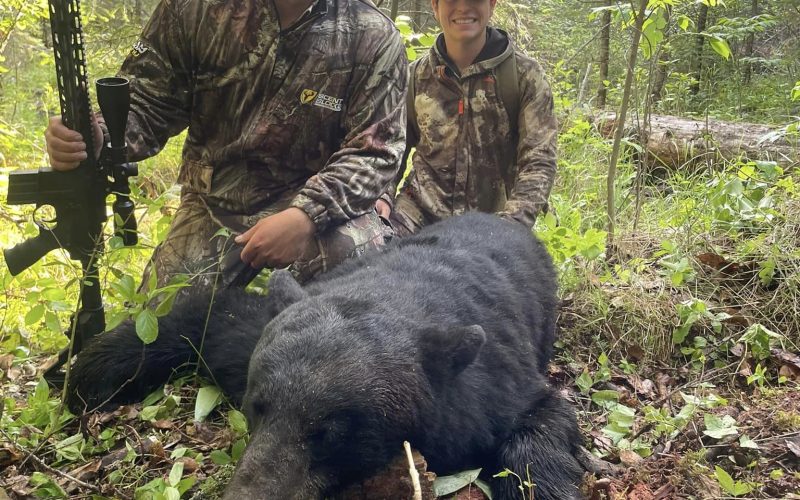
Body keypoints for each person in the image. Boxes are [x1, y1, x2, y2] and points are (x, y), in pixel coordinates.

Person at [45, 0, 407, 288]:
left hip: (320, 217)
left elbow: (373, 153)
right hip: (216, 207)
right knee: (167, 323)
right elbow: (147, 99)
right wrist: (98, 136)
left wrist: (305, 216)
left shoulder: (373, 36)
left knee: (354, 295)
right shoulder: (196, 9)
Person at [376, 0, 556, 235]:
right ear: (435, 6)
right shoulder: (415, 77)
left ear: (491, 4)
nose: (463, 7)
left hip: (492, 225)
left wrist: (512, 225)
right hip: (416, 218)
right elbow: (391, 149)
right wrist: (383, 195)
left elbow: (539, 161)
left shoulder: (524, 77)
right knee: (372, 258)